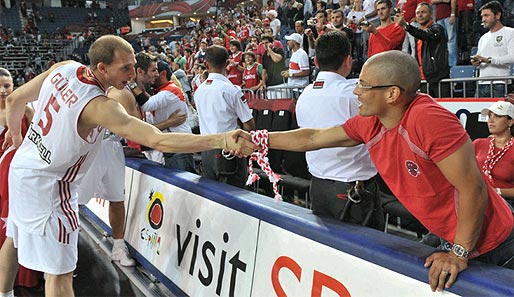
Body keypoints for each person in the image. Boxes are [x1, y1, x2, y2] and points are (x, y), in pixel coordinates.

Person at [0, 35, 256, 297]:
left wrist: (18, 138)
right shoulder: (100, 106)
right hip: (52, 186)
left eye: (133, 65)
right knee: (60, 275)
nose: (132, 74)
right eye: (125, 68)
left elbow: (14, 100)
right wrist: (222, 138)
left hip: (22, 170)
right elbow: (159, 140)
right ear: (102, 68)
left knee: (14, 236)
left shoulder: (63, 67)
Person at [256, 50, 513, 292]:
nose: (356, 90)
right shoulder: (371, 122)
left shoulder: (428, 119)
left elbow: (473, 189)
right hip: (456, 237)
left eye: (364, 85)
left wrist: (458, 253)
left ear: (391, 94)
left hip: (495, 244)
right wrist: (258, 139)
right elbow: (314, 138)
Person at [295, 31, 383, 229]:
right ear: (348, 61)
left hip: (318, 187)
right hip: (352, 189)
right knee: (366, 256)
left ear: (316, 62)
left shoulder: (305, 94)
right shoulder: (354, 94)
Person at [194, 45, 256, 188]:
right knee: (234, 198)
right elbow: (249, 123)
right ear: (227, 63)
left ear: (206, 64)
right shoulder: (231, 90)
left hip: (207, 149)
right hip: (229, 149)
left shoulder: (199, 91)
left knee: (211, 194)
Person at [0, 68, 39, 289]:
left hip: (21, 173)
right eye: (0, 86)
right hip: (5, 170)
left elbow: (39, 138)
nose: (4, 91)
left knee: (18, 222)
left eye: (7, 85)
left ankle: (25, 275)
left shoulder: (26, 110)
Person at [396, 2, 450, 98]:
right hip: (424, 79)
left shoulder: (437, 28)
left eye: (423, 12)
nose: (420, 15)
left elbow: (426, 35)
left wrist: (406, 26)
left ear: (431, 14)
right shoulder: (418, 34)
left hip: (438, 78)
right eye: (417, 13)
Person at [471, 1, 514, 98]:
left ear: (498, 15)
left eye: (486, 15)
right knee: (481, 112)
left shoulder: (510, 33)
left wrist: (490, 60)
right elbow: (480, 58)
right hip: (481, 83)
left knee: (499, 113)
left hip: (500, 83)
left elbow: (512, 57)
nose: (483, 19)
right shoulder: (483, 38)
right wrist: (476, 62)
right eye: (482, 16)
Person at [473, 101, 514, 201]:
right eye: (489, 116)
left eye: (498, 116)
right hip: (477, 199)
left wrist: (497, 191)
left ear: (510, 121)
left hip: (504, 201)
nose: (491, 120)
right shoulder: (478, 144)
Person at [432, 0, 458, 67]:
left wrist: (453, 14)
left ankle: (452, 64)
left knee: (451, 40)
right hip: (439, 17)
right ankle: (443, 63)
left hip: (449, 15)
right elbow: (432, 1)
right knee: (441, 41)